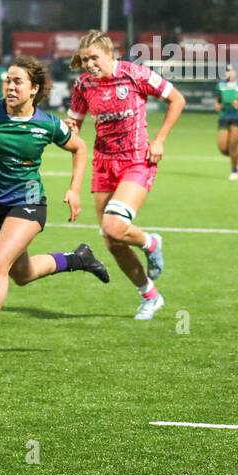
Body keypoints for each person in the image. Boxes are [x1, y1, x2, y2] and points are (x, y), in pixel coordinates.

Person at [0, 56, 108, 361]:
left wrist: (74, 189)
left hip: (29, 202)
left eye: (18, 82)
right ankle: (78, 258)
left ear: (34, 89)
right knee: (22, 273)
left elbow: (80, 148)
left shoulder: (47, 124)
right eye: (8, 80)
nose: (10, 86)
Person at [67, 30, 186, 320]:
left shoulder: (136, 74)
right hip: (103, 165)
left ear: (111, 54)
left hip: (136, 161)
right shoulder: (83, 85)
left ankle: (150, 242)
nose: (89, 64)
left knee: (114, 225)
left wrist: (158, 140)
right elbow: (74, 129)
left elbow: (177, 100)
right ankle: (150, 295)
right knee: (112, 241)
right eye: (84, 60)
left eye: (94, 58)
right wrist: (64, 133)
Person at [214, 63, 238, 180]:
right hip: (224, 117)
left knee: (232, 145)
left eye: (231, 71)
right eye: (227, 71)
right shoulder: (220, 85)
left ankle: (234, 171)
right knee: (223, 148)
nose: (229, 73)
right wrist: (217, 105)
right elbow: (218, 100)